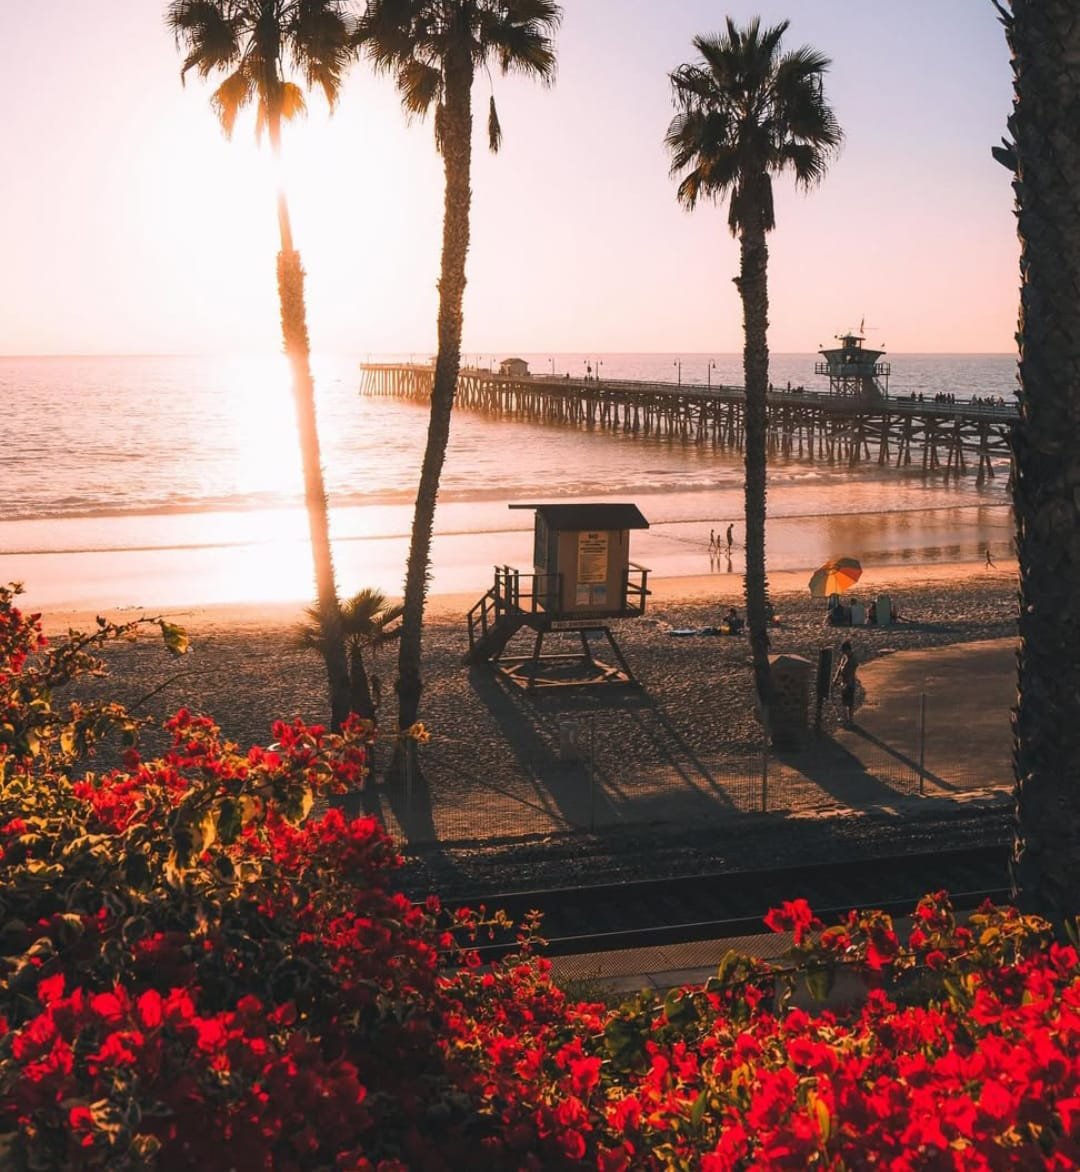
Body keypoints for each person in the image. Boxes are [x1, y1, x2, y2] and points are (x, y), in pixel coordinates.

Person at [833, 641, 859, 724]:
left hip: (850, 682)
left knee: (850, 701)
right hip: (844, 681)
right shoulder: (844, 658)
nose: (844, 653)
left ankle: (850, 719)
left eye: (845, 651)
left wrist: (847, 683)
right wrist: (835, 679)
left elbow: (850, 672)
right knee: (844, 701)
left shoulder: (853, 659)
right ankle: (846, 718)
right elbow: (839, 669)